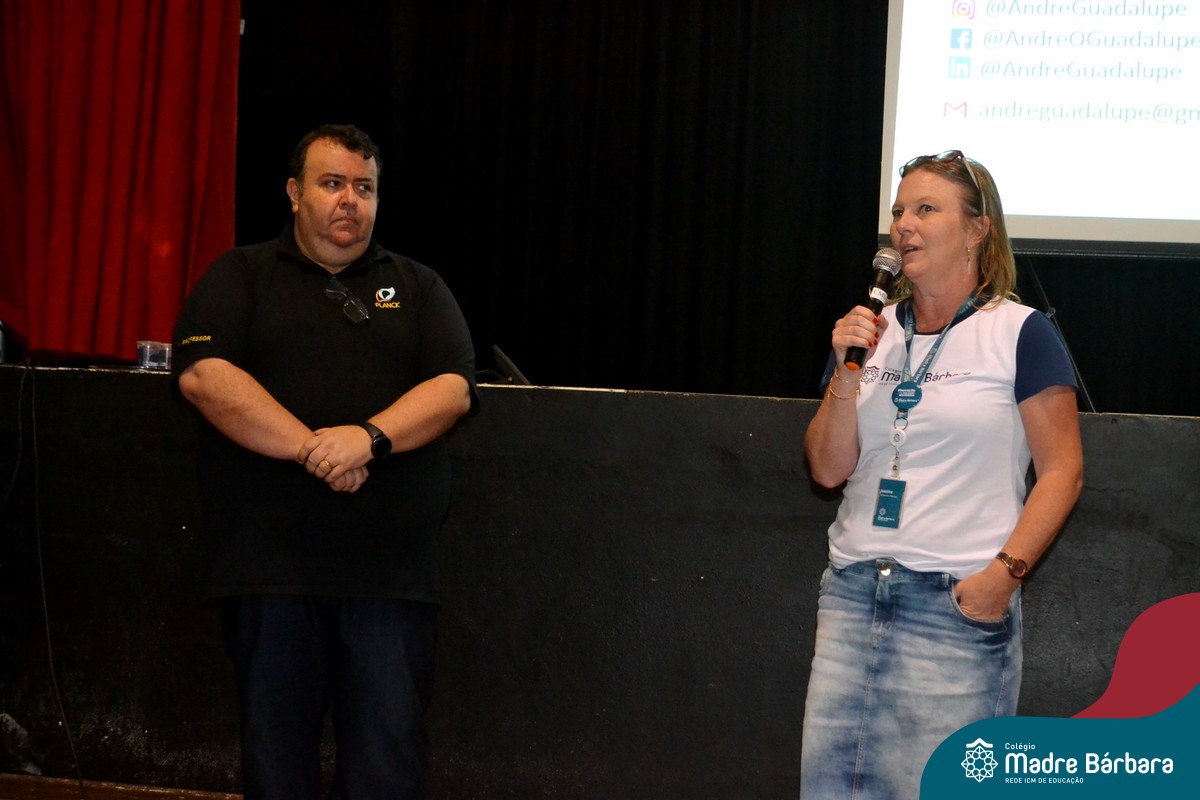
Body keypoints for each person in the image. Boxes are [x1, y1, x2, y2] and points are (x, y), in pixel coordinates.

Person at [172, 124, 477, 800]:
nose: (349, 200)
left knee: (387, 761)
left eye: (364, 188)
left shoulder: (418, 286)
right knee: (276, 759)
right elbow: (203, 376)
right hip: (270, 566)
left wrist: (367, 438)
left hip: (390, 573)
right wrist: (314, 447)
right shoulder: (241, 275)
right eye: (332, 183)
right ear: (293, 192)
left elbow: (454, 388)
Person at [799, 150, 1083, 799]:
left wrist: (1000, 579)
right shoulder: (869, 335)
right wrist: (845, 369)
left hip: (955, 607)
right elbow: (827, 469)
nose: (904, 225)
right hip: (852, 596)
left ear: (978, 230)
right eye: (899, 211)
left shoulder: (1018, 332)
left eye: (926, 209)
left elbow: (1063, 471)